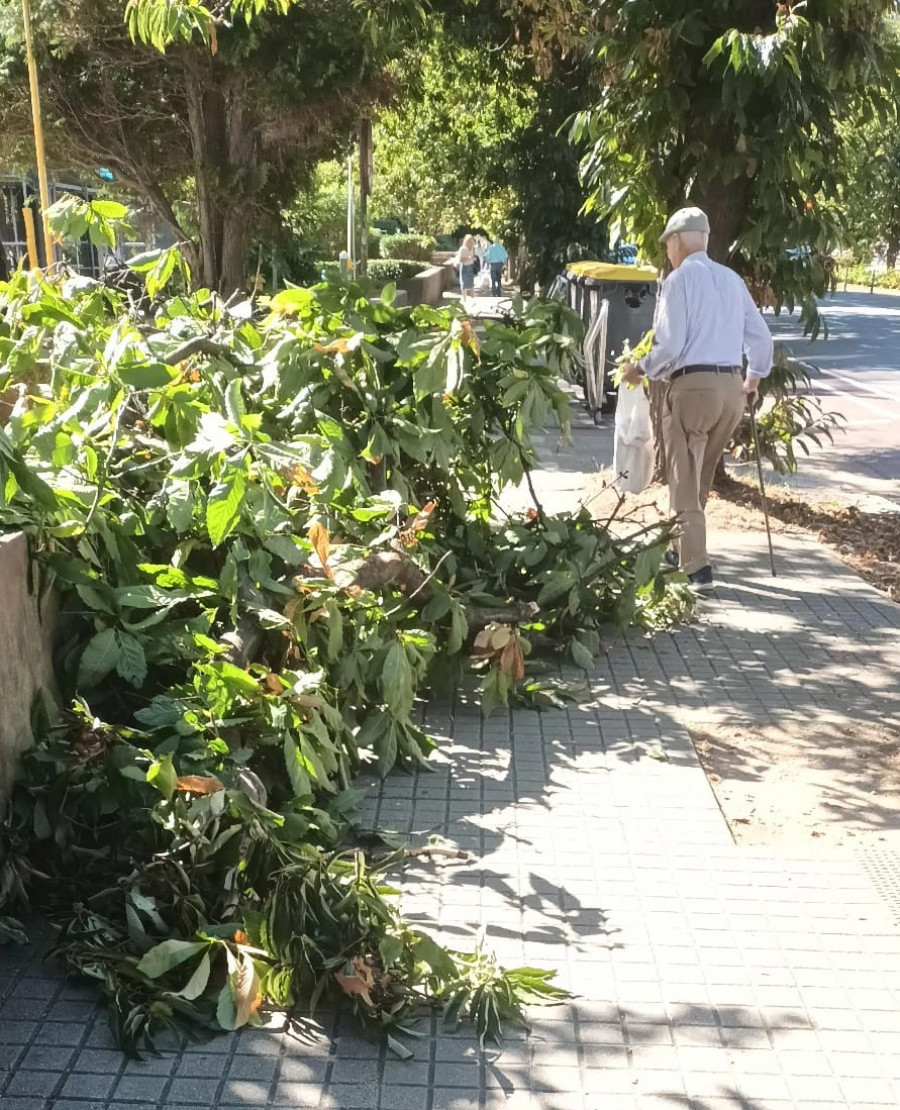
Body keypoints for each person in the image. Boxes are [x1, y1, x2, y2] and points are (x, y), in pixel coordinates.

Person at [620, 205, 773, 591]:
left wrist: (641, 367)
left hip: (692, 387)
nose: (667, 252)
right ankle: (676, 548)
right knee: (699, 476)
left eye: (667, 244)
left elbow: (670, 343)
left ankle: (696, 568)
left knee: (683, 477)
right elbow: (761, 338)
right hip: (731, 390)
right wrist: (753, 378)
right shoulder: (731, 279)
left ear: (676, 241)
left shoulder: (679, 281)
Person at [455, 234, 477, 306]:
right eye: (470, 241)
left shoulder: (472, 248)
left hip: (470, 266)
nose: (471, 242)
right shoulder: (463, 249)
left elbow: (473, 256)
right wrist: (468, 258)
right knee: (464, 283)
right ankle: (464, 299)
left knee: (471, 283)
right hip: (464, 267)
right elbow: (461, 259)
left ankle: (473, 299)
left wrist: (473, 259)